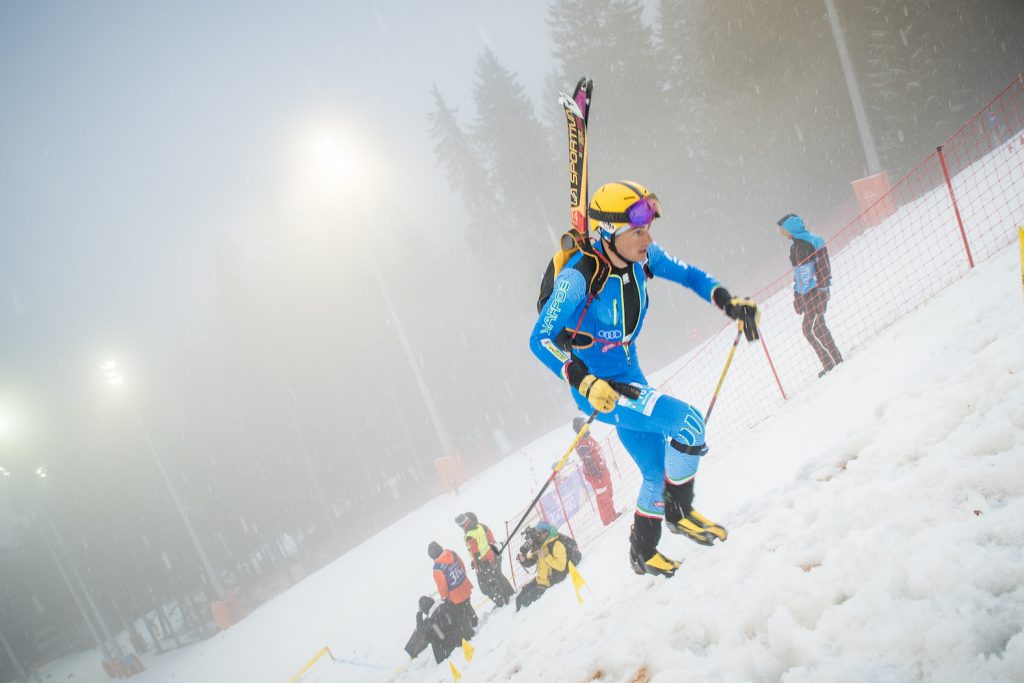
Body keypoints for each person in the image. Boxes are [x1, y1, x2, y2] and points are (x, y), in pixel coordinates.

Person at [530, 181, 760, 578]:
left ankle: (643, 550)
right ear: (609, 233)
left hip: (630, 376)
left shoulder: (643, 258)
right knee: (688, 424)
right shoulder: (578, 278)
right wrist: (583, 382)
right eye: (638, 231)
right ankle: (679, 510)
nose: (648, 238)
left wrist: (727, 300)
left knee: (655, 472)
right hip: (601, 392)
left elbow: (689, 275)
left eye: (648, 228)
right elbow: (540, 339)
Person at [777, 213, 843, 376]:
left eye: (782, 229)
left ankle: (834, 362)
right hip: (805, 295)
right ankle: (832, 362)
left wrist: (823, 289)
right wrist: (797, 298)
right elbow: (797, 276)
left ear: (791, 228)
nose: (781, 233)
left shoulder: (814, 241)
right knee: (815, 328)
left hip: (817, 291)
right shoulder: (793, 248)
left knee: (811, 329)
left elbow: (824, 266)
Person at [455, 512, 514, 607]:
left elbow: (475, 552)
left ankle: (502, 601)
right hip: (493, 555)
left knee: (486, 586)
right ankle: (509, 594)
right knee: (498, 577)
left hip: (484, 562)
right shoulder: (481, 527)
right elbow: (489, 541)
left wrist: (477, 565)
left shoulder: (470, 535)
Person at [514, 522, 574, 611]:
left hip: (548, 581)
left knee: (524, 602)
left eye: (540, 533)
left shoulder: (556, 544)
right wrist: (524, 560)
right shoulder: (540, 545)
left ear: (546, 533)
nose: (538, 536)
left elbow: (561, 566)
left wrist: (546, 556)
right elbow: (531, 560)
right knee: (518, 600)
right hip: (539, 579)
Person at [571, 416, 619, 526]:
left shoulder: (588, 437)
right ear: (580, 427)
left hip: (603, 471)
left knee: (609, 493)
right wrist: (597, 474)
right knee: (603, 497)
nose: (587, 425)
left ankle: (613, 514)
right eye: (584, 424)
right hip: (597, 475)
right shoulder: (581, 443)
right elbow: (587, 461)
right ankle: (608, 520)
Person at [428, 541, 477, 633]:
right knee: (467, 604)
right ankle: (474, 620)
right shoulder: (451, 553)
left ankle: (469, 627)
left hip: (454, 595)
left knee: (461, 612)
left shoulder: (437, 568)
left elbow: (442, 585)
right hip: (463, 584)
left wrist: (444, 597)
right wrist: (462, 577)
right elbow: (461, 564)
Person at [406, 595, 467, 664]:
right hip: (460, 635)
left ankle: (411, 651)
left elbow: (421, 630)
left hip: (447, 649)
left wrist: (419, 614)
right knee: (432, 632)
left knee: (428, 634)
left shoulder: (430, 621)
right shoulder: (445, 603)